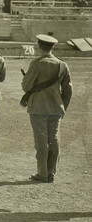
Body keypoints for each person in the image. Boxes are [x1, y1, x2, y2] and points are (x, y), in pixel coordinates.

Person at [22, 34, 73, 183]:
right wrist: (63, 106)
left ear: (39, 47)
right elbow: (68, 91)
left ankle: (42, 173)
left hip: (38, 108)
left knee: (41, 141)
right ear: (52, 48)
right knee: (54, 140)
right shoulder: (62, 64)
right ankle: (51, 173)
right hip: (56, 108)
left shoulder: (37, 63)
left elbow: (26, 87)